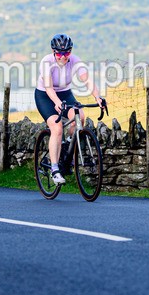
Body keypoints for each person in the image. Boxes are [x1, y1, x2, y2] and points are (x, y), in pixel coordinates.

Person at [35, 33, 106, 184]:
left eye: (66, 52)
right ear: (54, 51)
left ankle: (67, 146)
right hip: (45, 95)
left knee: (79, 116)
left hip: (65, 93)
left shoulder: (75, 60)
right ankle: (55, 169)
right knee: (57, 127)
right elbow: (48, 87)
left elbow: (87, 80)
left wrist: (97, 97)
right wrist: (56, 102)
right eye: (59, 53)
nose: (63, 56)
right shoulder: (47, 62)